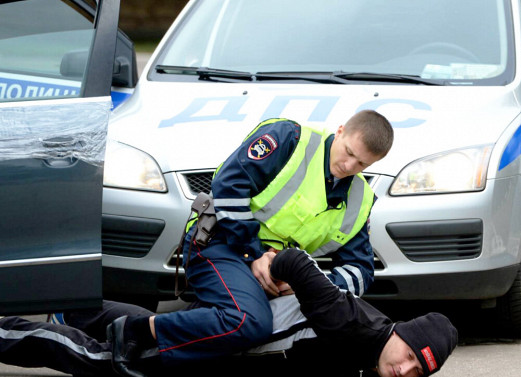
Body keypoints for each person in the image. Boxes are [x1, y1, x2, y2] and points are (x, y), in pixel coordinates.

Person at [110, 110, 394, 371]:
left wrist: (306, 284)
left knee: (215, 322)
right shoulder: (289, 139)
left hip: (275, 274)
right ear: (341, 130)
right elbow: (229, 184)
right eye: (348, 153)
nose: (349, 165)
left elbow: (360, 271)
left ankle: (101, 320)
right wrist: (254, 255)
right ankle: (133, 334)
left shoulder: (360, 199)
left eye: (362, 163)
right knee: (250, 323)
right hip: (222, 243)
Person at [0, 248, 458, 377]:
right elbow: (297, 262)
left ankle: (63, 303)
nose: (405, 370)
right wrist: (268, 265)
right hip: (220, 342)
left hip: (222, 340)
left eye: (417, 372)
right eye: (411, 356)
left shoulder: (369, 351)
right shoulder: (353, 322)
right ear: (403, 332)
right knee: (100, 359)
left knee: (123, 323)